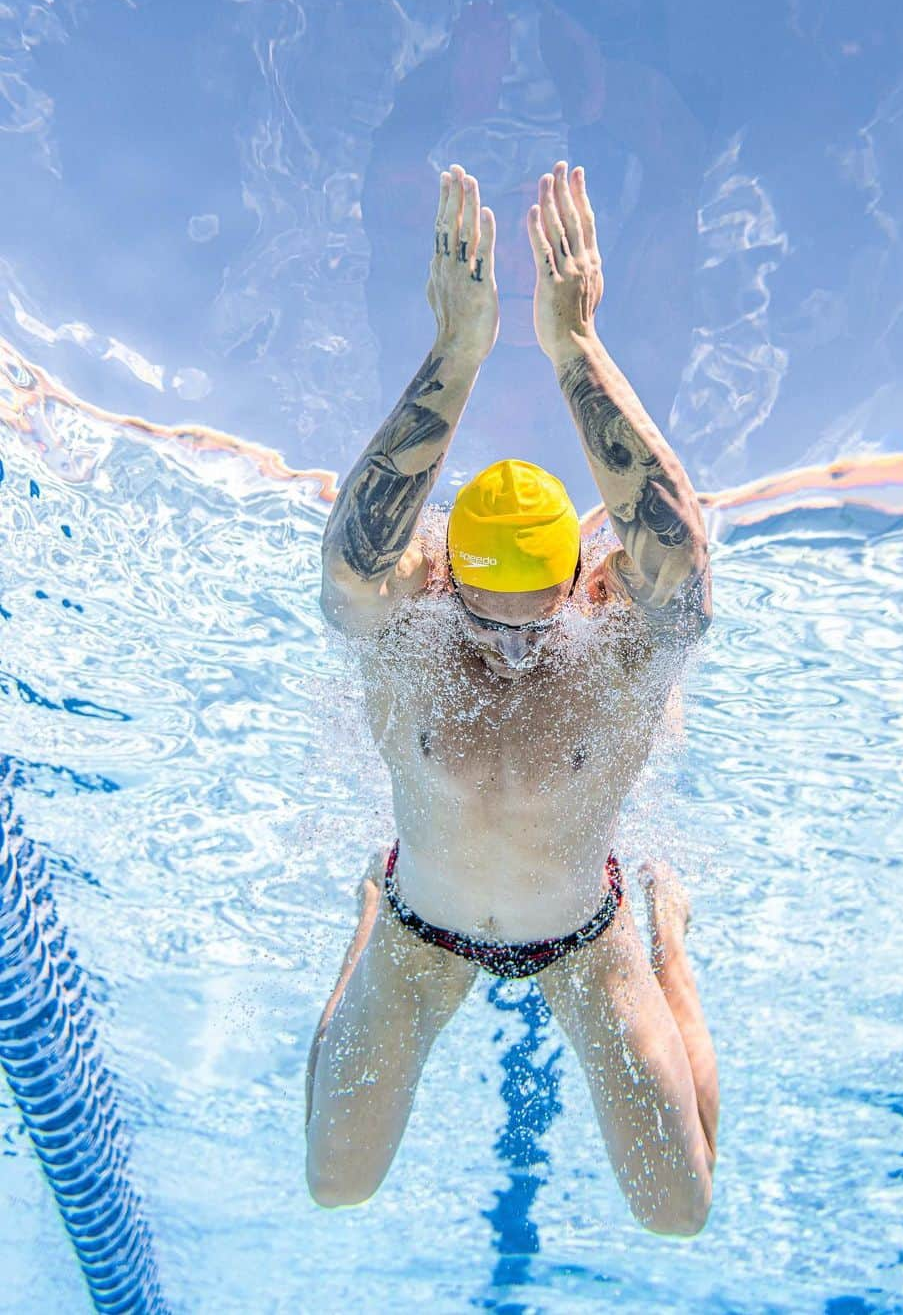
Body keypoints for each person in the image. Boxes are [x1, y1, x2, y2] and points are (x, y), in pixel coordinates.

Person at [305, 161, 718, 1237]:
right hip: (419, 929)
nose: (515, 649)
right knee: (334, 1181)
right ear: (446, 581)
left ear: (579, 586)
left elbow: (682, 561)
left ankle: (673, 939)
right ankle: (361, 920)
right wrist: (458, 350)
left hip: (586, 940)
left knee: (681, 1207)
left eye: (539, 620)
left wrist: (574, 343)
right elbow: (355, 562)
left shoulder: (614, 652)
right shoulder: (408, 631)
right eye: (485, 621)